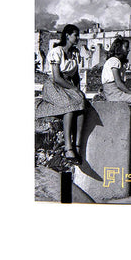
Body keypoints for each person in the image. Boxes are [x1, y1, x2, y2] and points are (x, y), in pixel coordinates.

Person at [36, 24, 86, 165]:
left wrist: (78, 91)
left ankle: (77, 146)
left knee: (81, 105)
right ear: (67, 36)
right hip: (54, 85)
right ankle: (68, 148)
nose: (78, 38)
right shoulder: (56, 51)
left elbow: (75, 76)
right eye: (75, 35)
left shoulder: (75, 53)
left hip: (68, 85)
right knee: (68, 105)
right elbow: (57, 77)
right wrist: (74, 90)